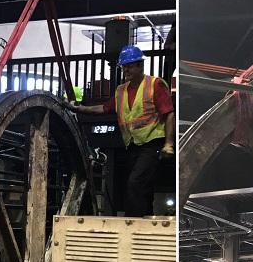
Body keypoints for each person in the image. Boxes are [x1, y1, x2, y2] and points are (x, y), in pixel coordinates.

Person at [66, 44, 175, 217]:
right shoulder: (121, 91)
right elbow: (103, 108)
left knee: (135, 183)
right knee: (141, 187)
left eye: (130, 66)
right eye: (124, 66)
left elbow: (169, 113)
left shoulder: (155, 84)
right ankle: (145, 226)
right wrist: (80, 109)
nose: (126, 70)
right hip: (132, 146)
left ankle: (131, 223)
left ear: (140, 65)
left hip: (152, 143)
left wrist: (169, 144)